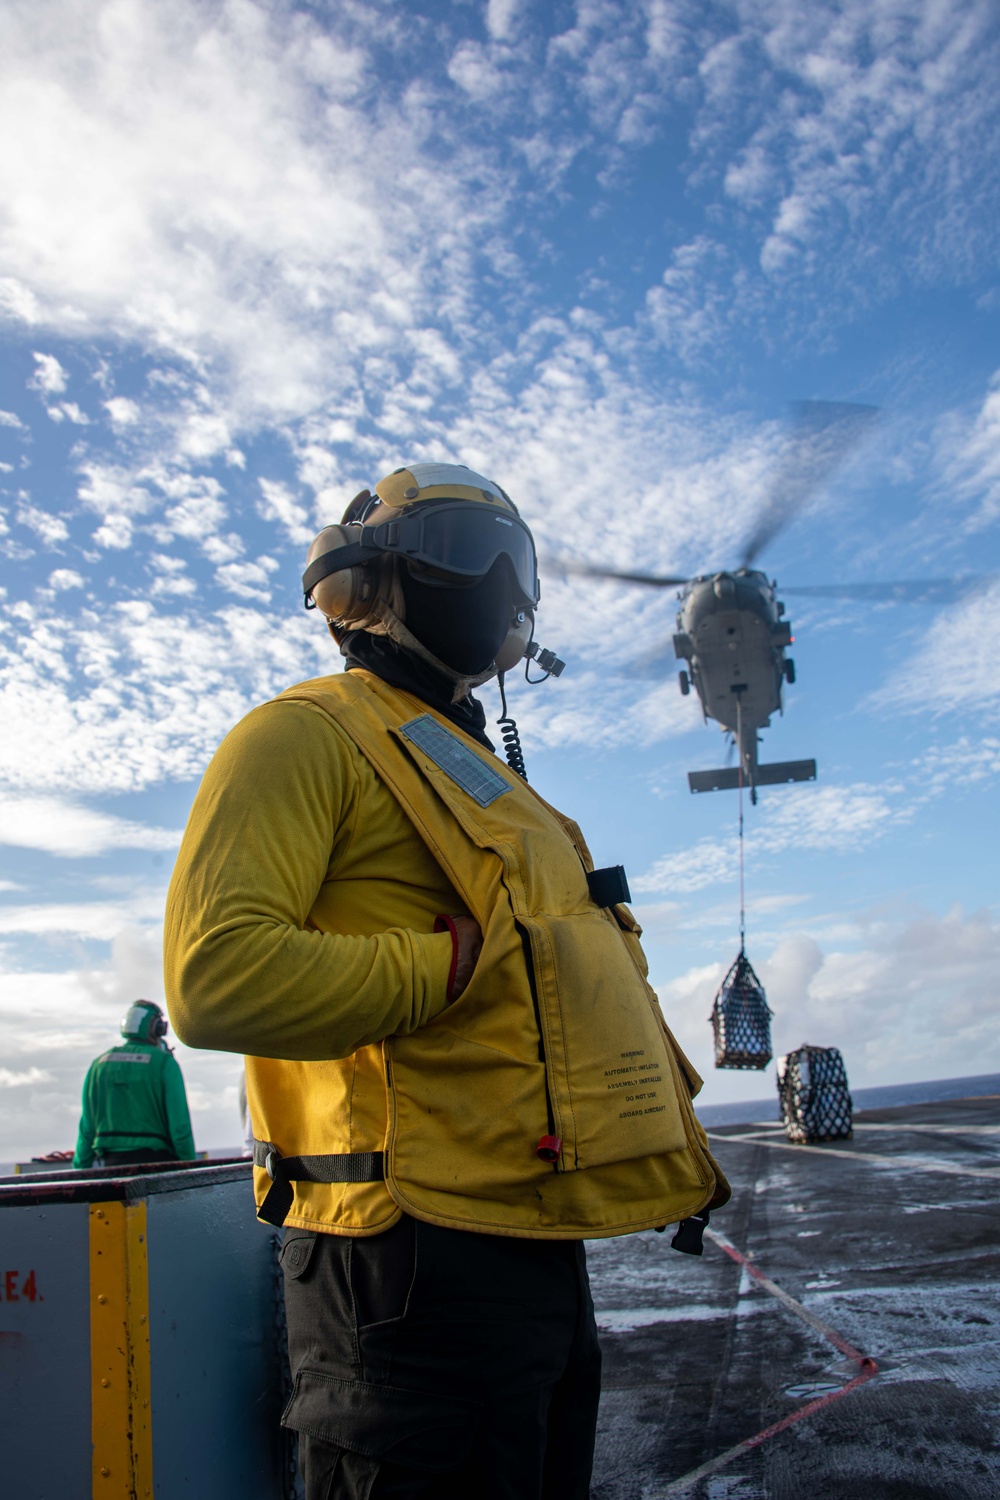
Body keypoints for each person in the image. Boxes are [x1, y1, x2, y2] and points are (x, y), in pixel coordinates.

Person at [164, 462, 730, 1500]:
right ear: (370, 580)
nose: (501, 590)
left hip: (526, 1238)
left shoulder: (470, 772)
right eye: (474, 554)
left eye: (514, 567)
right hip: (400, 1262)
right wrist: (449, 963)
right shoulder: (304, 735)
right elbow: (216, 976)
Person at [73, 999, 196, 1168]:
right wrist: (190, 1168)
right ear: (157, 1028)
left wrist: (79, 1172)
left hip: (112, 1167)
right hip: (158, 1165)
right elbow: (180, 1127)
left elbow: (87, 1129)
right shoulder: (164, 1063)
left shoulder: (98, 1065)